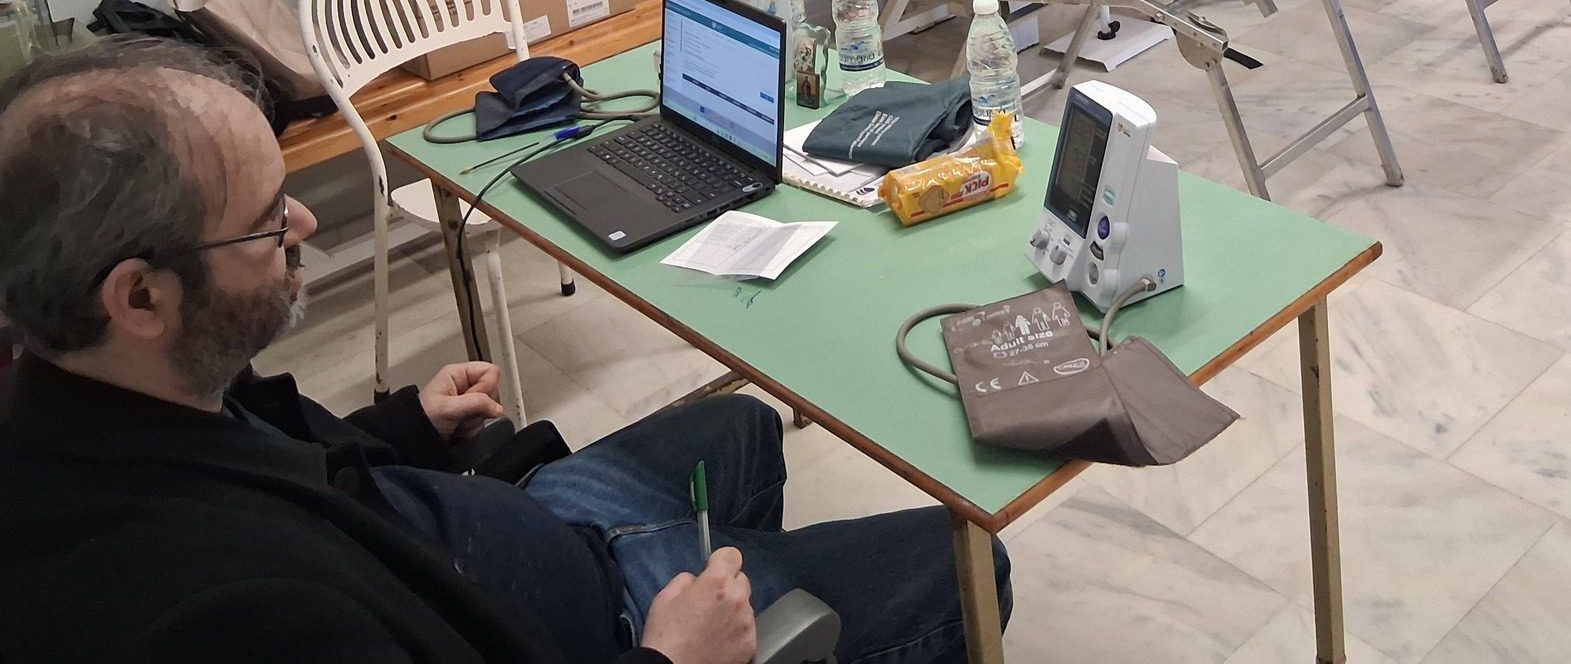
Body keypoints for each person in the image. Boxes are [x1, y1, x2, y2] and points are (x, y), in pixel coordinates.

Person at [0, 38, 1007, 664]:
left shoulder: (116, 392)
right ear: (140, 296)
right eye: (268, 221)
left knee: (741, 425)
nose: (303, 223)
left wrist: (404, 428)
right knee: (968, 566)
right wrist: (674, 658)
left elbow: (292, 466)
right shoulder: (214, 612)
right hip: (595, 628)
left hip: (516, 530)